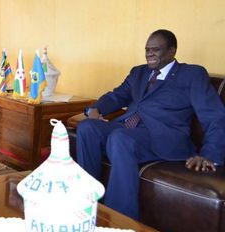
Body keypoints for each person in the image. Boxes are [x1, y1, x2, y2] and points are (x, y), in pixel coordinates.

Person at [76, 29, 225, 219]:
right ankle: (85, 202)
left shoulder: (192, 75)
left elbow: (214, 114)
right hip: (131, 130)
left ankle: (120, 221)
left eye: (156, 49)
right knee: (87, 128)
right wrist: (95, 109)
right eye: (147, 50)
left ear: (172, 51)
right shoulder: (139, 72)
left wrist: (209, 154)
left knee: (120, 138)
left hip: (167, 137)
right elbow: (117, 95)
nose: (149, 54)